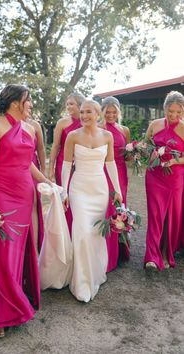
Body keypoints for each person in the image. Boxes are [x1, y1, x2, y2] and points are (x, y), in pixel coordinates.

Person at [0, 84, 50, 338]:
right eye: (28, 100)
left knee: (17, 251)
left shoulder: (30, 129)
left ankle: (15, 300)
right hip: (0, 194)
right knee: (1, 254)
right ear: (17, 101)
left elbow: (28, 165)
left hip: (24, 196)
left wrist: (48, 183)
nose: (31, 105)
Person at [62, 99, 122, 302]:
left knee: (96, 233)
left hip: (100, 189)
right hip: (79, 188)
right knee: (82, 232)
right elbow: (66, 164)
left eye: (89, 112)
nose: (84, 116)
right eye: (82, 112)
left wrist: (118, 189)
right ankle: (81, 282)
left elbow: (111, 163)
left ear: (98, 114)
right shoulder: (72, 136)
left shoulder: (108, 136)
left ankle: (95, 272)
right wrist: (64, 191)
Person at [144, 91, 184, 270]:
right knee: (155, 214)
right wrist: (152, 154)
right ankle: (152, 257)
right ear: (165, 108)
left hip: (175, 177)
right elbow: (145, 148)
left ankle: (167, 253)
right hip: (155, 174)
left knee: (171, 215)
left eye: (178, 112)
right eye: (170, 111)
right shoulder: (154, 124)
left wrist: (175, 160)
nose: (174, 115)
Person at [100, 96, 131, 271]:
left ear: (118, 112)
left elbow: (126, 156)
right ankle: (106, 251)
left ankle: (120, 249)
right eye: (107, 112)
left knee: (120, 209)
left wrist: (133, 153)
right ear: (102, 112)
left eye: (114, 112)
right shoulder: (97, 129)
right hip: (103, 172)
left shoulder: (124, 130)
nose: (111, 115)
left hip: (121, 174)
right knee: (107, 209)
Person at [49, 92, 85, 234]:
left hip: (82, 166)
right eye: (67, 104)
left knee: (79, 199)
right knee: (65, 197)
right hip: (63, 165)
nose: (68, 107)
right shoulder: (62, 122)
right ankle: (66, 233)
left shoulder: (87, 122)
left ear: (80, 105)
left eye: (71, 104)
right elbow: (56, 146)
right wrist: (51, 168)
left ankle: (78, 232)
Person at [28, 110, 46, 254]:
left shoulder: (35, 125)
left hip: (33, 165)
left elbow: (40, 148)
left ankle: (34, 246)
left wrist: (43, 170)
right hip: (15, 167)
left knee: (33, 202)